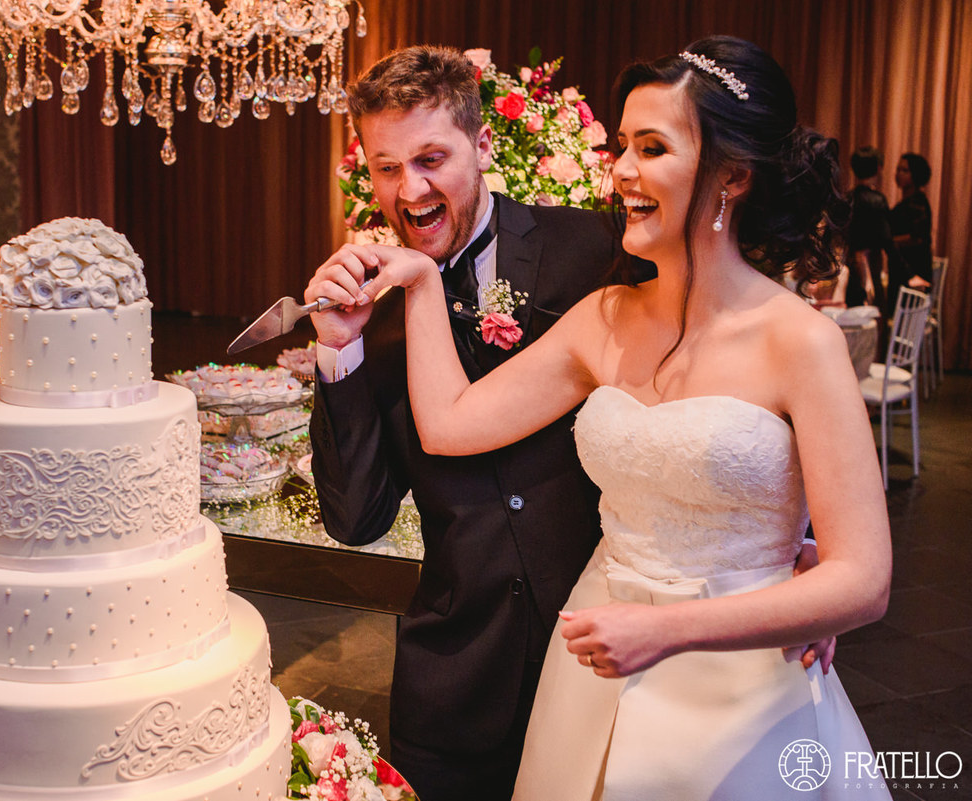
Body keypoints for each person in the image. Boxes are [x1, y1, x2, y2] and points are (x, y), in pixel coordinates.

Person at [340, 36, 891, 799]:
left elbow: (864, 580)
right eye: (622, 146)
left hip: (737, 687)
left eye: (653, 147)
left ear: (732, 173)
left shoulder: (803, 341)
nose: (623, 171)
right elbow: (450, 423)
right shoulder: (605, 314)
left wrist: (679, 620)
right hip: (593, 662)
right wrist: (423, 283)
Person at [304, 45, 640, 800]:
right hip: (452, 685)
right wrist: (339, 354)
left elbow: (695, 386)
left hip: (599, 659)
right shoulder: (373, 312)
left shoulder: (590, 251)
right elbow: (356, 521)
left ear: (483, 145)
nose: (408, 189)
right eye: (386, 167)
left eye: (430, 159)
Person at [845, 146, 891, 312]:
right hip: (871, 262)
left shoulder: (847, 199)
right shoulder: (877, 200)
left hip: (848, 262)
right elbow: (887, 240)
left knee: (853, 309)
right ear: (878, 168)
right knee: (874, 310)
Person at [887, 152, 933, 308]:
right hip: (903, 269)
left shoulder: (917, 204)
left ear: (915, 175)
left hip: (914, 269)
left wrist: (889, 242)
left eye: (904, 171)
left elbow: (917, 237)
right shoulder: (905, 203)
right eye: (898, 169)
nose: (898, 174)